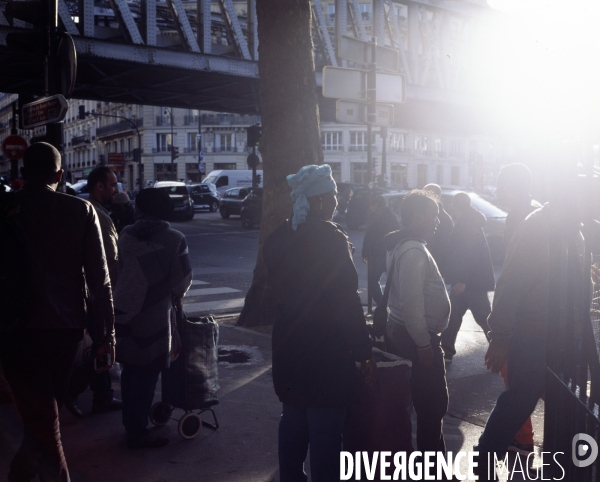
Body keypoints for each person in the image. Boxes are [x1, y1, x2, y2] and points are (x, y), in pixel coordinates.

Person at [0, 142, 114, 482]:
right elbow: (101, 281)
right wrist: (107, 335)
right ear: (60, 174)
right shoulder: (82, 211)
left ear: (22, 172)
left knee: (42, 420)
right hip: (66, 330)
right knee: (45, 419)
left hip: (14, 328)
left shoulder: (5, 208)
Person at [264, 164, 374, 482]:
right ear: (321, 199)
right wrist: (363, 351)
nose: (339, 200)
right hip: (327, 353)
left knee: (294, 420)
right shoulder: (330, 239)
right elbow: (347, 302)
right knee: (326, 434)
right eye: (335, 194)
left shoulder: (279, 236)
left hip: (289, 345)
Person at [114, 188, 192, 449]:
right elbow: (182, 281)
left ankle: (130, 424)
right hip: (154, 314)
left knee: (129, 370)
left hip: (124, 311)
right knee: (147, 374)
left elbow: (119, 270)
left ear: (141, 209)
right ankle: (137, 433)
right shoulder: (174, 239)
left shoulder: (125, 234)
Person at [384, 190, 450, 461]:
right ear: (419, 216)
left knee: (429, 404)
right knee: (431, 404)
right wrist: (424, 344)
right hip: (416, 338)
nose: (437, 222)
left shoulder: (406, 244)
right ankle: (432, 468)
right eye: (434, 216)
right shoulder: (413, 250)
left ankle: (435, 464)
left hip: (406, 332)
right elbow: (412, 304)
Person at [494, 163, 543, 457]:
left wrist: (501, 329)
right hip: (542, 314)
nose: (498, 190)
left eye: (501, 184)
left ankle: (521, 439)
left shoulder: (520, 217)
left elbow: (512, 277)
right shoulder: (537, 210)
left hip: (524, 317)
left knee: (515, 380)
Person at [65, 166, 122, 417]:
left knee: (100, 344)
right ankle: (74, 389)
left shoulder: (83, 210)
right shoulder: (99, 215)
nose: (116, 190)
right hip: (97, 292)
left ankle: (102, 395)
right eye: (112, 185)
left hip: (85, 289)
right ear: (99, 186)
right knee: (102, 343)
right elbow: (109, 261)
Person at [441, 192, 495, 363]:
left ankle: (501, 350)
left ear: (457, 206)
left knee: (483, 319)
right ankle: (446, 351)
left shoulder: (467, 224)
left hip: (469, 283)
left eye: (453, 206)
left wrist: (462, 280)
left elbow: (468, 255)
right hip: (470, 282)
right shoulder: (471, 221)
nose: (451, 209)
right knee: (455, 316)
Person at [361, 195, 400, 306]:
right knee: (394, 281)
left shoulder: (374, 217)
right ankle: (394, 305)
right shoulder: (392, 216)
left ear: (376, 205)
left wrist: (365, 253)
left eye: (372, 206)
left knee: (373, 281)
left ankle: (382, 304)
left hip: (377, 254)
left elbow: (368, 236)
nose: (371, 208)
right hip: (390, 252)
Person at [423, 183, 454, 276]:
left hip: (435, 266)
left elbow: (441, 247)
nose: (424, 197)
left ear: (437, 196)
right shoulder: (432, 215)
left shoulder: (443, 218)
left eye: (426, 194)